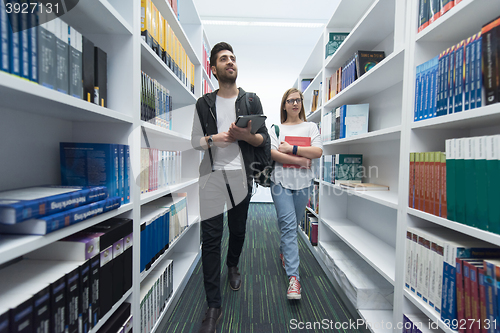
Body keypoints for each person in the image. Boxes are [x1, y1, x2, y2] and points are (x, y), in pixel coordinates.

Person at [191, 42, 269, 333]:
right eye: (223, 59)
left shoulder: (251, 101)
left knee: (237, 231)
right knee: (210, 240)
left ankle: (233, 264)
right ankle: (214, 306)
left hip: (241, 177)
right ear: (213, 68)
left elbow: (264, 141)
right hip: (212, 177)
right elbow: (195, 141)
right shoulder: (204, 104)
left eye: (233, 58)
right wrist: (215, 139)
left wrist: (244, 137)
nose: (230, 62)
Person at [269, 88, 323, 300]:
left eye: (298, 100)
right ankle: (294, 279)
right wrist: (301, 159)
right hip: (280, 182)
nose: (295, 104)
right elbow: (273, 153)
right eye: (290, 100)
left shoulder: (310, 127)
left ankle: (284, 251)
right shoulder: (276, 128)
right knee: (290, 226)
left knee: (292, 224)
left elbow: (317, 151)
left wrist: (290, 149)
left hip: (303, 184)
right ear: (284, 105)